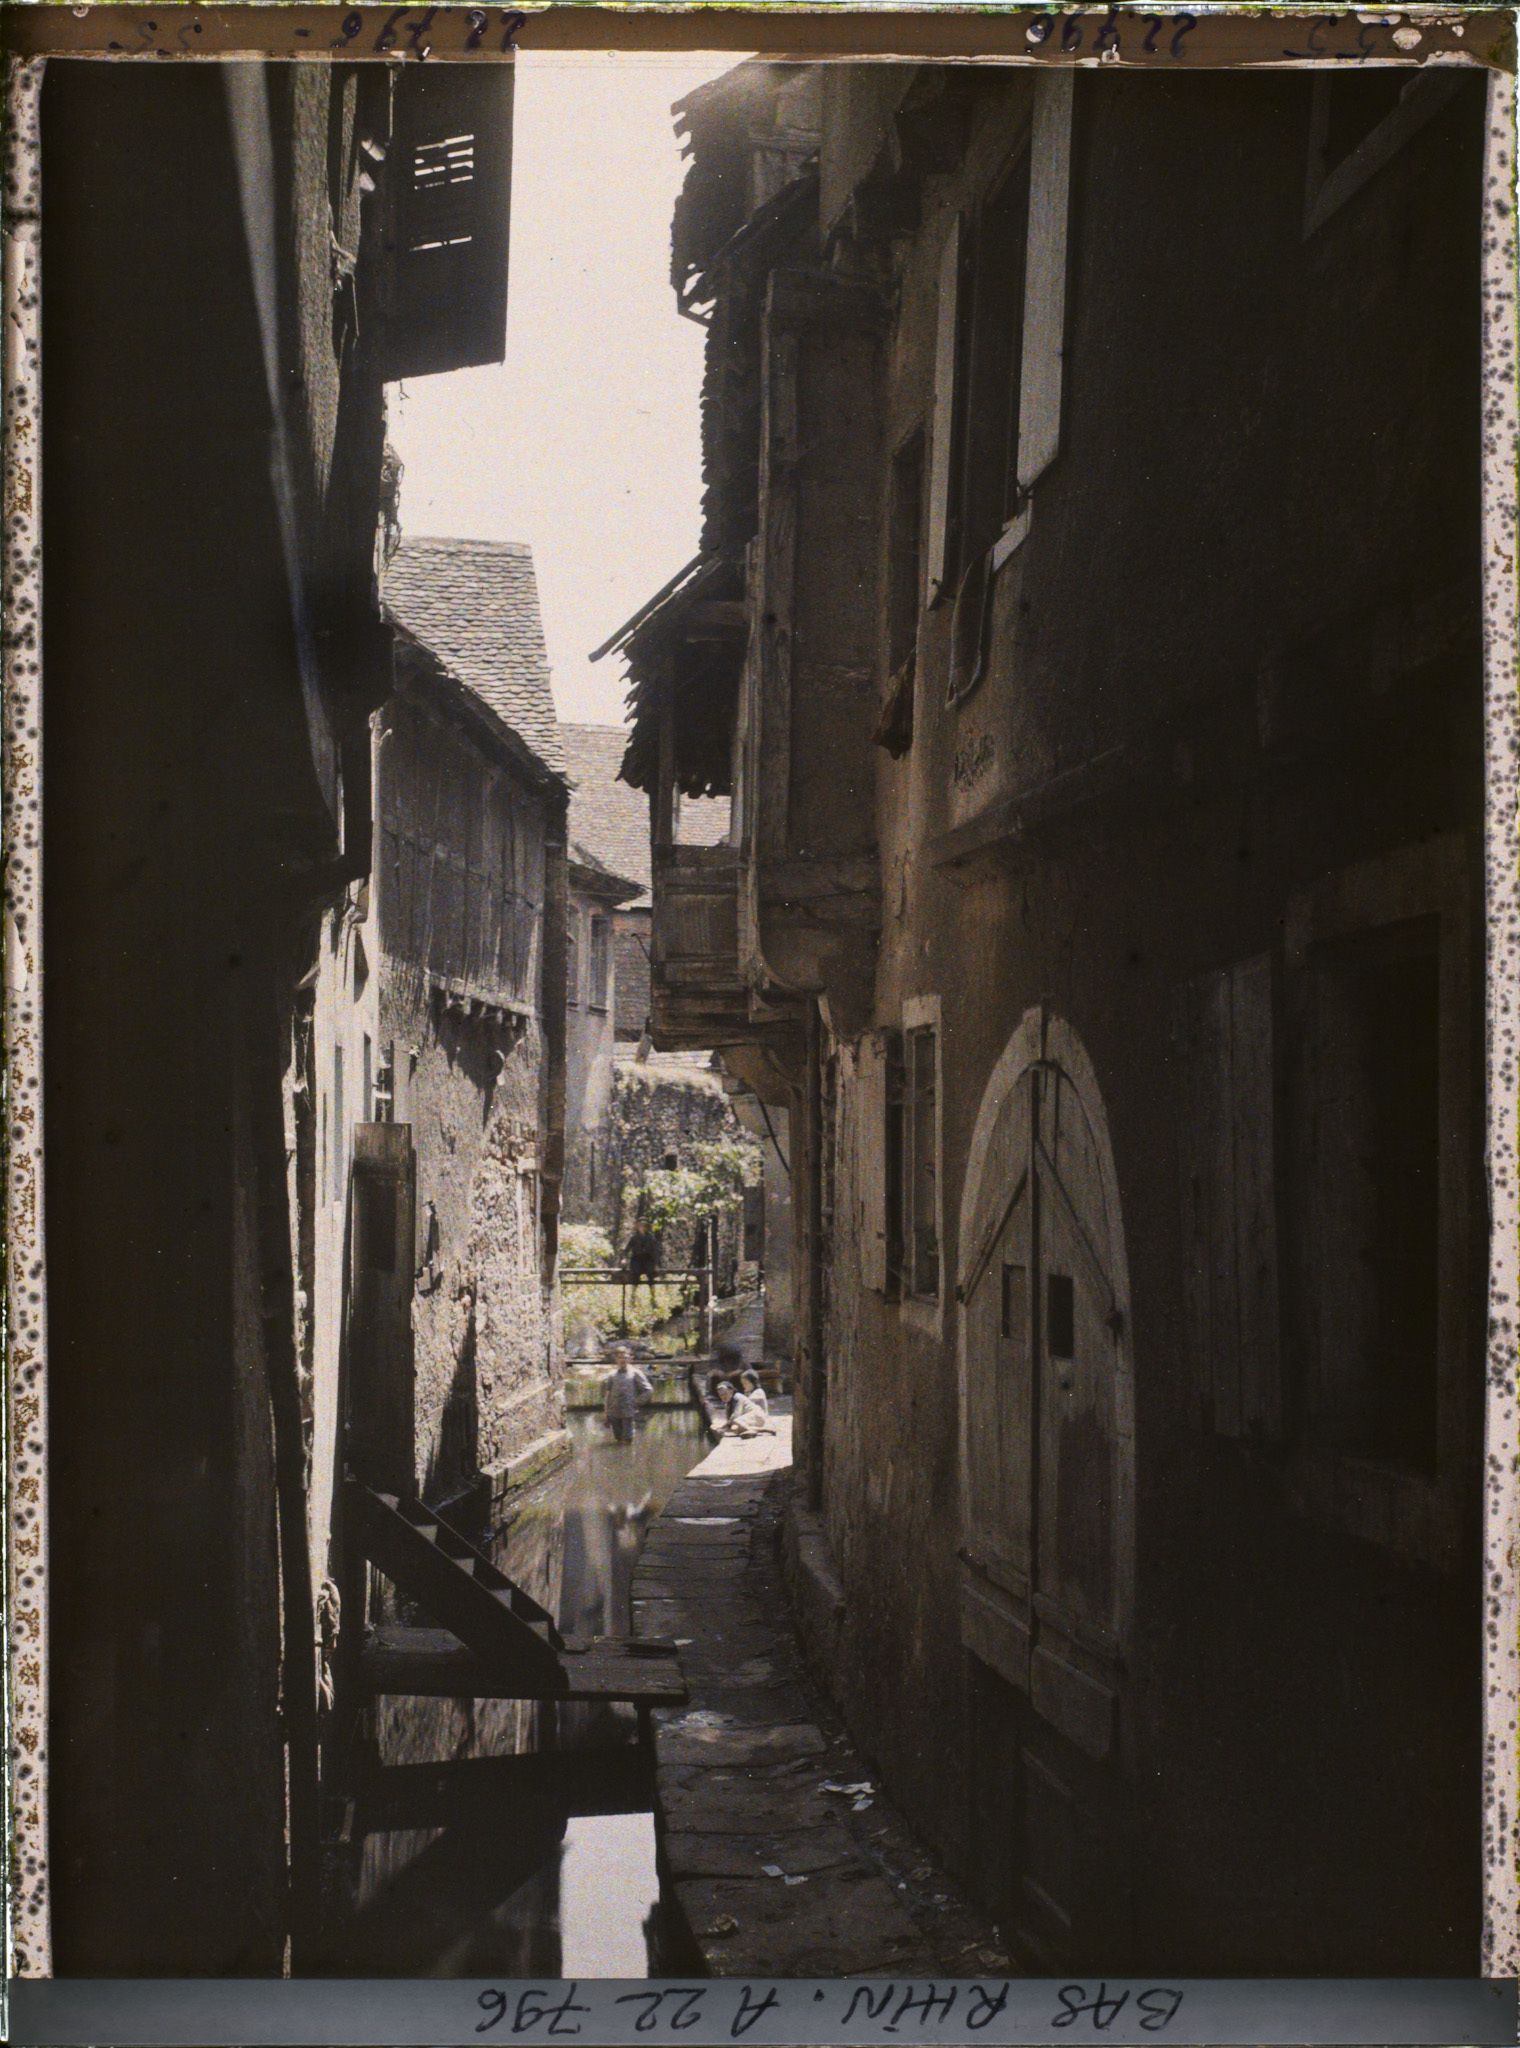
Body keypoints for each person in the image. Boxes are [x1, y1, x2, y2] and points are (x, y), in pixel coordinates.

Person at [603, 1344, 654, 1443]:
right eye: (620, 1358)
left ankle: (629, 1451)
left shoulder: (635, 1373)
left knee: (627, 1439)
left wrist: (636, 1402)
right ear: (616, 1359)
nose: (622, 1360)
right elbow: (607, 1395)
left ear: (630, 1359)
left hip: (628, 1411)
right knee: (618, 1439)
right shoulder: (612, 1375)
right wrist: (606, 1414)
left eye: (625, 1357)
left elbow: (648, 1390)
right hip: (614, 1411)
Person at [625, 1220, 660, 1297]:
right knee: (635, 1275)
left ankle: (653, 1295)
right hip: (637, 1259)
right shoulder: (634, 1237)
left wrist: (655, 1263)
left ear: (646, 1227)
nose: (642, 1227)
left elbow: (655, 1251)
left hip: (648, 1259)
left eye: (643, 1226)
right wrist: (624, 1258)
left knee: (651, 1276)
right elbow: (627, 1249)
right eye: (640, 1225)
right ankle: (633, 1295)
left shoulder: (651, 1238)